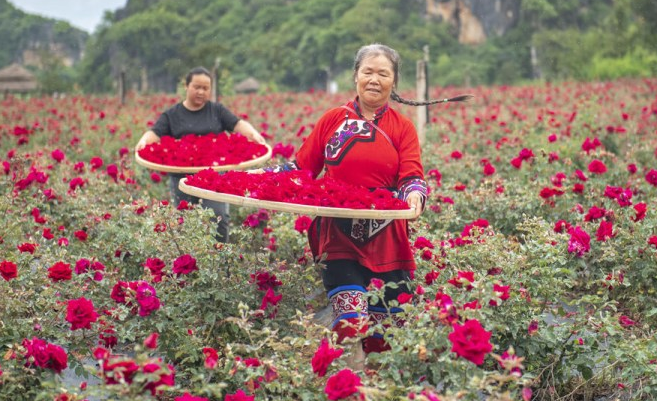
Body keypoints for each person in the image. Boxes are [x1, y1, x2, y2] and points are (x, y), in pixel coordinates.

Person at [264, 44, 470, 367]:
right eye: (368, 72)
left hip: (387, 240)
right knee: (350, 325)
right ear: (356, 76)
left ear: (394, 81)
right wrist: (262, 178)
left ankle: (379, 390)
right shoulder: (333, 120)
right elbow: (302, 168)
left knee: (385, 336)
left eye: (383, 74)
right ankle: (352, 386)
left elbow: (411, 175)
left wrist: (414, 195)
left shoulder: (402, 127)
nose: (374, 79)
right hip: (338, 236)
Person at [135, 67, 265, 243]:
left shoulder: (217, 110)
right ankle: (190, 257)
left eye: (205, 88)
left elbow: (237, 124)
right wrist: (143, 142)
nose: (201, 92)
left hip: (214, 177)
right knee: (186, 221)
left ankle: (220, 255)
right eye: (197, 87)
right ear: (186, 86)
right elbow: (155, 133)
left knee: (218, 217)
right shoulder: (172, 115)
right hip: (182, 178)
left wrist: (253, 134)